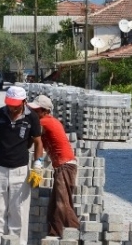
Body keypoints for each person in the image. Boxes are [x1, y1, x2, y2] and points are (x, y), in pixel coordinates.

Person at [0, 86, 43, 245]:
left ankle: (18, 243)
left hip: (20, 169)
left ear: (24, 102)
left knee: (18, 211)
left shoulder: (31, 117)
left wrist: (37, 166)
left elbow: (39, 143)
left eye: (15, 105)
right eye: (9, 104)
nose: (12, 108)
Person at [27, 95, 80, 236]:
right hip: (61, 167)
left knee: (63, 203)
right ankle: (53, 235)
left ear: (45, 111)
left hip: (65, 166)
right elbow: (37, 145)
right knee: (54, 207)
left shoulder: (45, 122)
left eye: (36, 110)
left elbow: (31, 139)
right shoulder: (46, 122)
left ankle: (78, 234)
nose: (33, 113)